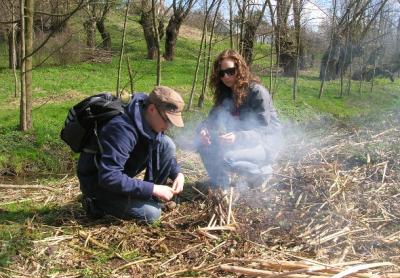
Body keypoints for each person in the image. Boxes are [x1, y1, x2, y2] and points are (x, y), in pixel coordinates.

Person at [77, 86, 185, 223]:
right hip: (98, 184)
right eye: (167, 120)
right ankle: (96, 204)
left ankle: (151, 198)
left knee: (167, 144)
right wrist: (153, 188)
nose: (169, 126)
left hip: (120, 175)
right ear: (152, 109)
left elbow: (158, 146)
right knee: (153, 214)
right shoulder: (122, 129)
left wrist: (178, 173)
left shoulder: (149, 121)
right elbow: (109, 177)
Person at [196, 49, 281, 190]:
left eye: (230, 71)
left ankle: (262, 173)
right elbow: (210, 120)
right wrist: (203, 130)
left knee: (227, 159)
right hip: (241, 142)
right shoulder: (226, 94)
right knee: (203, 146)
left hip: (265, 145)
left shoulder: (257, 92)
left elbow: (264, 131)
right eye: (221, 73)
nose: (226, 77)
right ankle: (221, 185)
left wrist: (237, 137)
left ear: (240, 69)